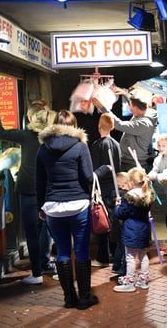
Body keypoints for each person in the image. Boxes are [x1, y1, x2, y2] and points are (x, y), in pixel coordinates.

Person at [36, 109, 110, 310]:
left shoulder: (43, 149)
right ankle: (84, 298)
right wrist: (103, 170)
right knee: (82, 250)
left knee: (62, 252)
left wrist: (40, 207)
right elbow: (88, 177)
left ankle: (69, 298)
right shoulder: (80, 146)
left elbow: (40, 182)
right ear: (74, 125)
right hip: (78, 207)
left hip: (53, 208)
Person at [0, 103, 57, 285]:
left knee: (32, 234)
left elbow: (0, 133)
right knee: (53, 230)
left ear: (31, 119)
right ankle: (57, 266)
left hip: (28, 191)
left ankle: (36, 273)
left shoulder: (26, 136)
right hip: (49, 192)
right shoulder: (52, 139)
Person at [92, 87, 157, 171]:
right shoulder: (146, 111)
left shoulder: (143, 124)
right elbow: (137, 102)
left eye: (130, 106)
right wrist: (125, 94)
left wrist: (102, 107)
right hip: (128, 161)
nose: (129, 107)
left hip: (132, 164)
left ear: (136, 108)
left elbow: (119, 125)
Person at [113, 167, 156, 292]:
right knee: (143, 255)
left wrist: (117, 206)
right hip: (144, 229)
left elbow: (121, 213)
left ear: (131, 182)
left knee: (130, 257)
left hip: (131, 230)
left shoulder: (128, 197)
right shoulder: (147, 194)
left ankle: (129, 282)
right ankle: (143, 281)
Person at [89, 113, 121, 268]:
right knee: (114, 223)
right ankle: (115, 255)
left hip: (101, 189)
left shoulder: (97, 145)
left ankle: (103, 257)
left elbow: (94, 170)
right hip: (114, 188)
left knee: (101, 222)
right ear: (113, 126)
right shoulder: (116, 144)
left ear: (99, 127)